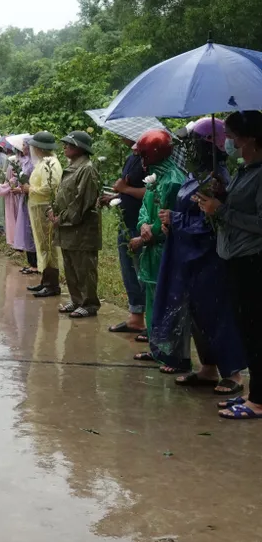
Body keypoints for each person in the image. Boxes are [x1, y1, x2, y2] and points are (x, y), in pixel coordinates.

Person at [152, 117, 245, 395]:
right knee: (197, 315)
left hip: (209, 259)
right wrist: (172, 221)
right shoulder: (195, 176)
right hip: (189, 257)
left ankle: (234, 373)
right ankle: (208, 368)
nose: (189, 148)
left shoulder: (217, 180)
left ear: (209, 146)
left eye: (193, 143)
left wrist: (176, 219)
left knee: (217, 313)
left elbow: (210, 224)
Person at [197, 110, 262, 420]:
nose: (231, 144)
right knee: (247, 329)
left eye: (234, 138)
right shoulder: (244, 170)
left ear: (250, 138)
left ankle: (258, 401)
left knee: (255, 329)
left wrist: (221, 210)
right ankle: (255, 393)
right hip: (235, 257)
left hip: (253, 260)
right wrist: (220, 196)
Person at [129, 130, 185, 366]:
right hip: (151, 248)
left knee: (169, 301)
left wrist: (149, 233)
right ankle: (156, 348)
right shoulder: (155, 178)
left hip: (165, 249)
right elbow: (145, 207)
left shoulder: (173, 180)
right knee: (153, 298)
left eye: (144, 155)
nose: (141, 160)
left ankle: (172, 354)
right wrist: (143, 225)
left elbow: (169, 220)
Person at [49, 131, 102, 318]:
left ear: (79, 148)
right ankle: (77, 299)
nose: (64, 147)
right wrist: (53, 211)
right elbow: (64, 195)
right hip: (67, 226)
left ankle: (89, 304)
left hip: (81, 228)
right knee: (70, 264)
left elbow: (82, 202)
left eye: (69, 145)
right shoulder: (72, 167)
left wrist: (61, 218)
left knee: (84, 266)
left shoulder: (86, 169)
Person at [102, 137, 148, 338]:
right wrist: (114, 197)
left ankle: (152, 323)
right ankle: (135, 317)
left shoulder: (152, 161)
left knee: (143, 273)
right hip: (126, 220)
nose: (120, 137)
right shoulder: (132, 157)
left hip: (141, 224)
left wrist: (125, 190)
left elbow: (153, 192)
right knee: (129, 270)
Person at [24, 131, 64, 298]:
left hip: (44, 207)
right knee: (42, 244)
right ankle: (45, 280)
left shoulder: (51, 163)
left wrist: (30, 189)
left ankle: (52, 284)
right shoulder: (43, 162)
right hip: (37, 207)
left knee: (48, 245)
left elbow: (50, 187)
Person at [7, 135, 38, 275]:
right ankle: (30, 262)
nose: (23, 148)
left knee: (31, 229)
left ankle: (35, 264)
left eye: (25, 145)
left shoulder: (34, 163)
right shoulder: (25, 161)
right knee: (25, 228)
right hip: (23, 198)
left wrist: (22, 189)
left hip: (30, 198)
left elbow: (33, 183)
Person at [0, 140, 19, 247]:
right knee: (10, 216)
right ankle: (13, 239)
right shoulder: (12, 160)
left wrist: (2, 188)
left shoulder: (16, 161)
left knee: (14, 216)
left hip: (14, 193)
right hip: (9, 191)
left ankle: (16, 240)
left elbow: (14, 179)